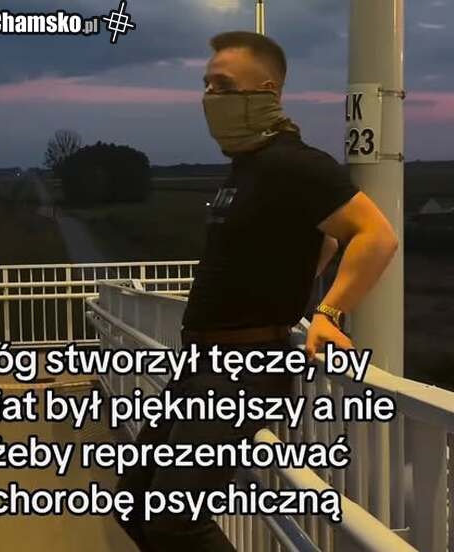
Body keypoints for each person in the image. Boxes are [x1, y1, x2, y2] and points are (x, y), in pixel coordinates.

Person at [113, 31, 399, 551]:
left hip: (244, 369)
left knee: (174, 521)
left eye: (223, 86)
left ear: (266, 92)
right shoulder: (247, 167)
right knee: (134, 503)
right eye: (206, 85)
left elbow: (375, 235)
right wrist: (290, 281)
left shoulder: (293, 163)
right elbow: (325, 240)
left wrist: (328, 313)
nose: (209, 97)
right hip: (202, 364)